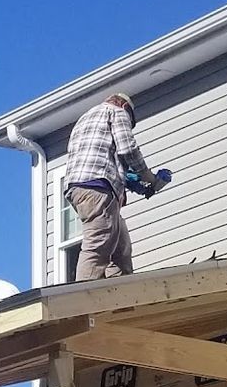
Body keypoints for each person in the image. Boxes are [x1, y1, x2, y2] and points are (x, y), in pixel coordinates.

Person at [62, 91, 157, 280]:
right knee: (98, 245)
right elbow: (127, 148)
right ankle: (80, 300)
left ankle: (121, 293)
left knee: (120, 246)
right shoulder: (117, 112)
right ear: (124, 106)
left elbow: (99, 156)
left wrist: (127, 180)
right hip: (98, 188)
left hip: (80, 188)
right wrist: (149, 177)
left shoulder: (85, 119)